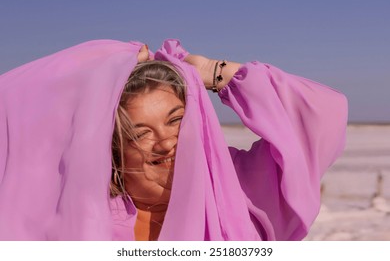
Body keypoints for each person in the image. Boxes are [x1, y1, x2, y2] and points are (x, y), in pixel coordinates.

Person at [0, 39, 348, 241]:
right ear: (114, 145)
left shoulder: (240, 189)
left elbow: (322, 113)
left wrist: (213, 71)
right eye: (141, 133)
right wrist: (100, 65)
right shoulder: (80, 212)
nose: (165, 142)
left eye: (176, 121)